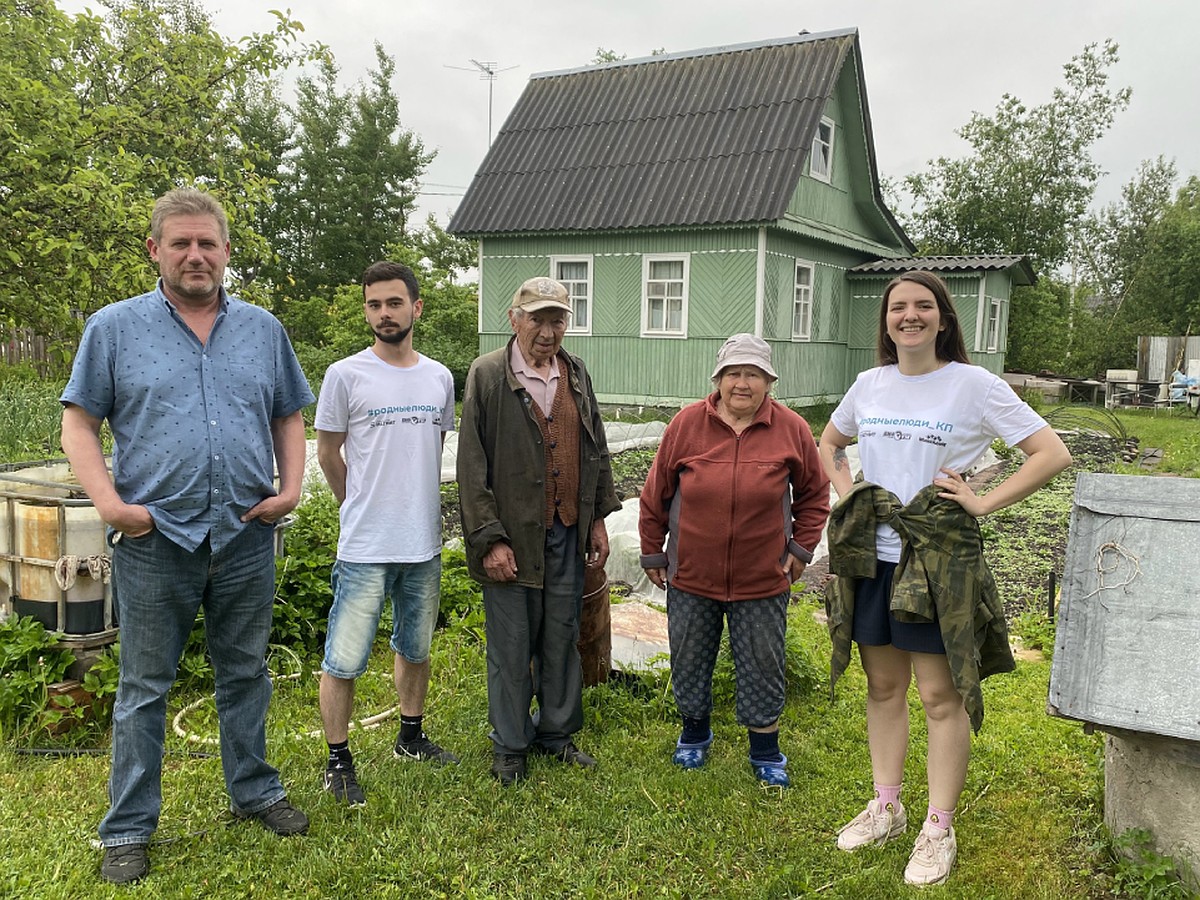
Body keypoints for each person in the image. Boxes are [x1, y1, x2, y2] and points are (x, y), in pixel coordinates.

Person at [61, 187, 315, 885]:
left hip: (243, 535)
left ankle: (256, 791)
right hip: (155, 541)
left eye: (208, 243)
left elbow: (290, 414)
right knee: (144, 686)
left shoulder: (263, 329)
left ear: (227, 251)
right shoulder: (113, 329)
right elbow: (79, 421)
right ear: (156, 250)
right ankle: (129, 829)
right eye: (182, 243)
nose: (196, 255)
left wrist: (290, 490)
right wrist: (111, 506)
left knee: (245, 673)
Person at [818, 270, 1072, 886]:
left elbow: (1051, 452)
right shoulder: (869, 383)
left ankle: (938, 825)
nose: (910, 316)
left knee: (939, 695)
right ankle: (887, 806)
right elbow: (828, 444)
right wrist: (853, 497)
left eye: (923, 306)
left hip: (936, 561)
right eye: (898, 306)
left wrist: (981, 502)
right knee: (883, 687)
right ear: (885, 320)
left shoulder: (973, 386)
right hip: (873, 557)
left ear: (943, 318)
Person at [638, 334, 830, 787]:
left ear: (769, 381)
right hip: (692, 573)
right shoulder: (687, 424)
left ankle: (765, 750)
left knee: (763, 662)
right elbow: (655, 495)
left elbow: (815, 495)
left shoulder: (792, 429)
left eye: (753, 374)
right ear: (719, 379)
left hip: (761, 577)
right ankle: (694, 735)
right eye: (734, 373)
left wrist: (801, 549)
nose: (742, 383)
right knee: (689, 656)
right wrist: (652, 549)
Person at [457, 276, 621, 785]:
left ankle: (555, 732)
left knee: (561, 634)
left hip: (566, 530)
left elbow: (595, 448)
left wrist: (595, 519)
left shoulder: (575, 373)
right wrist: (489, 538)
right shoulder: (487, 375)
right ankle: (510, 744)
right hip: (512, 536)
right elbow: (471, 465)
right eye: (538, 319)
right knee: (510, 642)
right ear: (514, 319)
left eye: (558, 320)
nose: (548, 332)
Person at [314, 260, 458, 807]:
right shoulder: (345, 375)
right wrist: (356, 504)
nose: (383, 314)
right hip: (365, 546)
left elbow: (433, 448)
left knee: (415, 648)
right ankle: (338, 758)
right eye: (374, 304)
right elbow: (328, 452)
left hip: (422, 542)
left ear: (416, 308)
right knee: (344, 658)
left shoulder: (440, 377)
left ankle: (411, 736)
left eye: (394, 303)